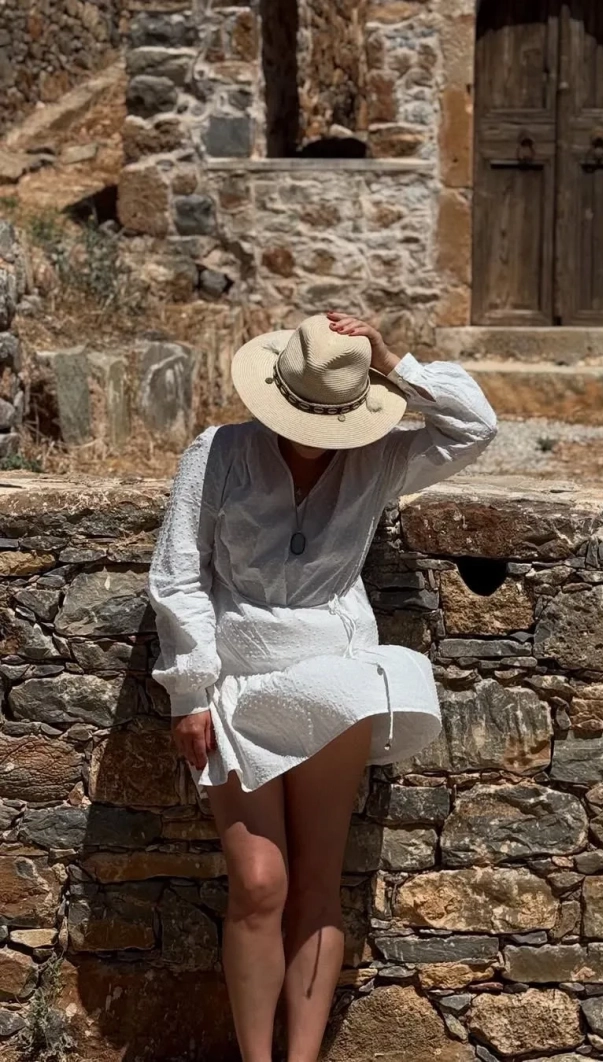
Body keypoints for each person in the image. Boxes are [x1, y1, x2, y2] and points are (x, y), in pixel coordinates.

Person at [147, 311, 498, 1062]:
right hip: (237, 677)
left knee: (316, 881)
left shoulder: (379, 456)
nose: (314, 434)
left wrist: (390, 359)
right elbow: (179, 575)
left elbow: (475, 426)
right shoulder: (219, 452)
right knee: (259, 883)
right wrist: (189, 690)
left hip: (336, 681)